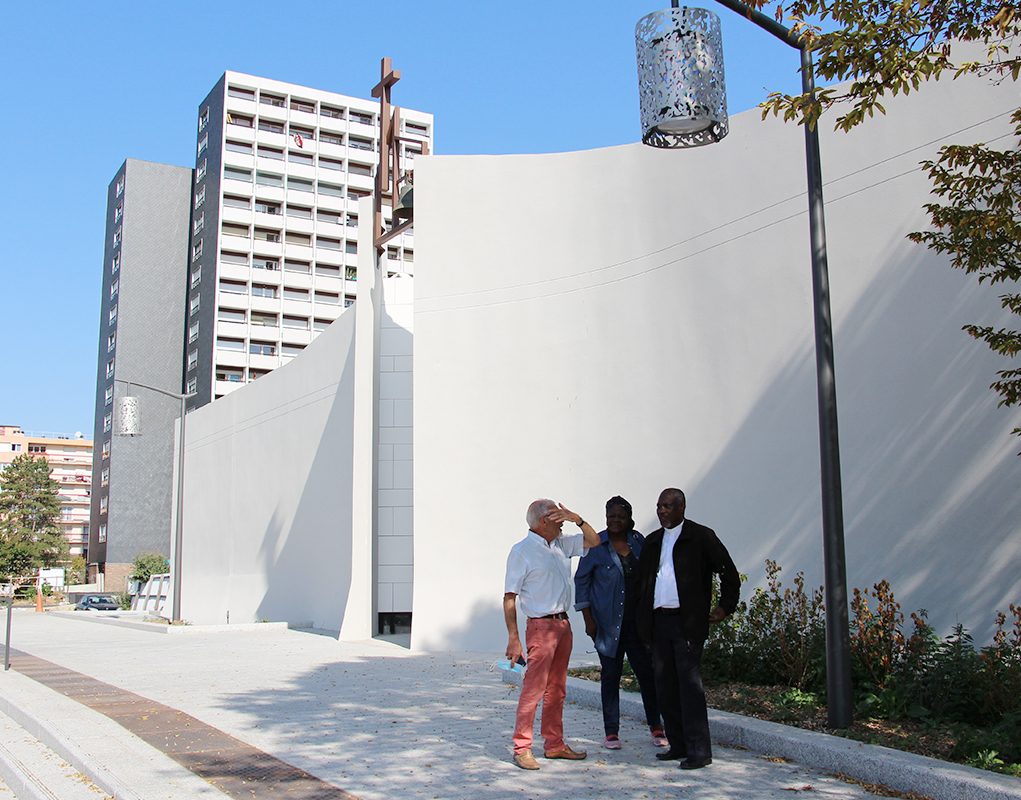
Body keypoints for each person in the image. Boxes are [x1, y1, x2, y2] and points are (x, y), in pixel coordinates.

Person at [636, 488, 740, 770]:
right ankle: (678, 745)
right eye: (659, 506)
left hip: (687, 624)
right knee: (665, 687)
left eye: (667, 506)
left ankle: (699, 751)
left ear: (681, 507)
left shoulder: (701, 536)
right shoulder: (653, 541)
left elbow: (728, 573)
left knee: (689, 688)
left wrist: (724, 607)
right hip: (659, 623)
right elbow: (640, 584)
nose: (662, 511)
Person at [504, 498, 600, 770]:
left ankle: (554, 745)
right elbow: (509, 597)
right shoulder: (522, 552)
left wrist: (576, 519)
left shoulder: (561, 543)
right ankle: (522, 748)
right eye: (556, 517)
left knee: (557, 690)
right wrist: (514, 639)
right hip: (540, 628)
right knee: (533, 690)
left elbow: (593, 541)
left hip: (563, 626)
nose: (561, 522)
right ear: (543, 521)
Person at [574, 496, 667, 750]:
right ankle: (611, 732)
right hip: (607, 625)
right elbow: (581, 582)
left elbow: (653, 576)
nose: (616, 521)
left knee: (647, 675)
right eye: (611, 516)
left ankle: (656, 726)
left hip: (638, 625)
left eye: (621, 517)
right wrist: (588, 620)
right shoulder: (596, 545)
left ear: (629, 519)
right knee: (611, 676)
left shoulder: (639, 542)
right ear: (606, 517)